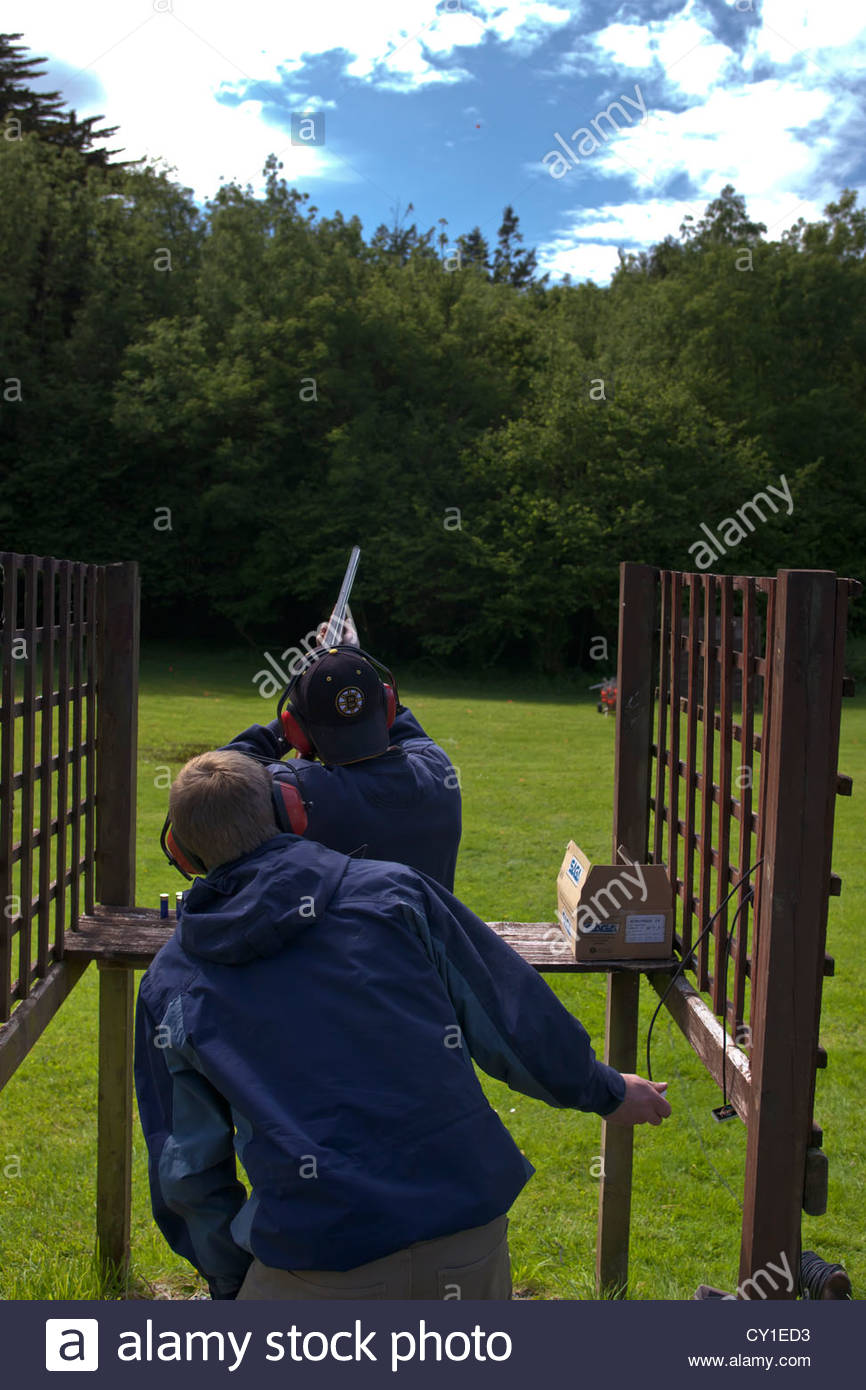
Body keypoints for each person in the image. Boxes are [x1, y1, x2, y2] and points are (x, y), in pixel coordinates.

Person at [135, 750, 671, 1302]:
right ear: (291, 809)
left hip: (312, 1262)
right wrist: (603, 1090)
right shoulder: (398, 894)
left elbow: (186, 1172)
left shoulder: (169, 985)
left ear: (181, 852)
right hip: (465, 1240)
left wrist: (229, 1280)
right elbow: (512, 1019)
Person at [221, 632, 462, 890]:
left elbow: (215, 779)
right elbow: (402, 726)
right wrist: (349, 661)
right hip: (429, 930)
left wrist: (282, 728)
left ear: (295, 731)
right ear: (388, 705)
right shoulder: (437, 768)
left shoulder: (297, 790)